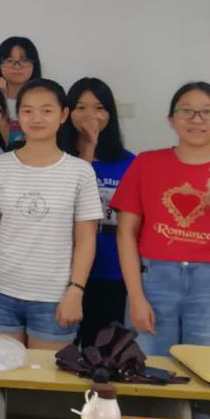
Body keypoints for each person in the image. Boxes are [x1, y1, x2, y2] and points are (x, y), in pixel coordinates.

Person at [0, 79, 102, 351]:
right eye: (28, 111)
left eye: (46, 110)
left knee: (46, 376)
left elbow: (86, 240)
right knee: (3, 373)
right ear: (18, 116)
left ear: (63, 115)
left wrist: (76, 290)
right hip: (1, 293)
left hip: (54, 297)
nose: (36, 118)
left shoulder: (80, 172)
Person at [112, 82, 210, 355]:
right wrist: (135, 296)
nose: (197, 120)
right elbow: (125, 234)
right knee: (147, 368)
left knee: (209, 369)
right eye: (186, 111)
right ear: (171, 119)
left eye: (207, 112)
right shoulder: (146, 163)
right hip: (154, 280)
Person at [57, 78, 135, 347]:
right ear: (67, 113)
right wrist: (88, 149)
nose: (91, 115)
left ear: (110, 114)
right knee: (63, 352)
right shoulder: (56, 159)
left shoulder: (128, 163)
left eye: (99, 107)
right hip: (62, 271)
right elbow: (66, 201)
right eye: (81, 107)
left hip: (110, 270)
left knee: (102, 351)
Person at [0, 36, 42, 147]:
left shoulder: (44, 100)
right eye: (9, 61)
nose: (17, 66)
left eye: (24, 60)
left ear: (34, 65)